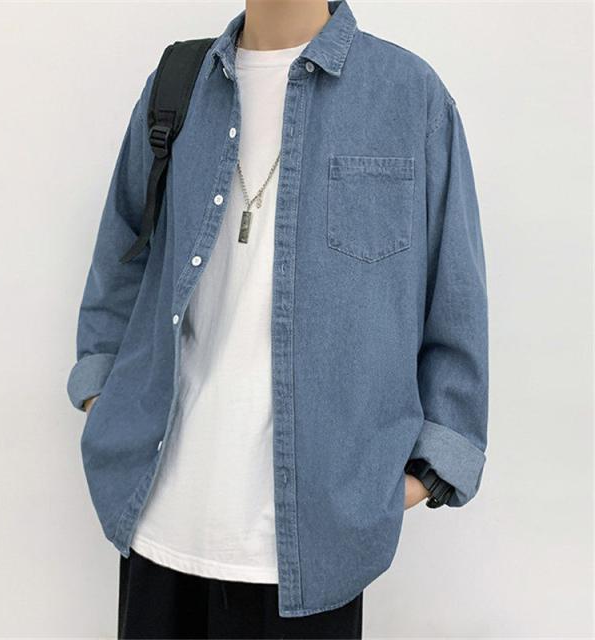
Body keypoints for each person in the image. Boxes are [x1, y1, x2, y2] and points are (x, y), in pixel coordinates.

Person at [67, 0, 489, 637]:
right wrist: (104, 397)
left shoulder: (409, 96)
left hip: (316, 542)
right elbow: (122, 253)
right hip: (157, 517)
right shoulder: (177, 84)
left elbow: (455, 296)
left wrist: (425, 474)